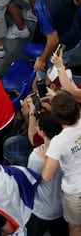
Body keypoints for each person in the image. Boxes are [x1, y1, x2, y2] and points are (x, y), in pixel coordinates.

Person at [21, 0, 81, 76]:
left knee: (46, 74)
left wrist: (42, 59)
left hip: (65, 46)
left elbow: (53, 40)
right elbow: (77, 2)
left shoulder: (41, 6)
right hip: (77, 32)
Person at [41, 92, 81, 235]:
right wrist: (58, 98)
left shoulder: (58, 142)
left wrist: (44, 156)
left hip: (75, 191)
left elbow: (46, 176)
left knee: (75, 228)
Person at [25, 111, 68, 236]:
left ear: (42, 132)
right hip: (62, 209)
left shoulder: (36, 156)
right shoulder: (67, 148)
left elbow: (30, 182)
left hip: (41, 211)